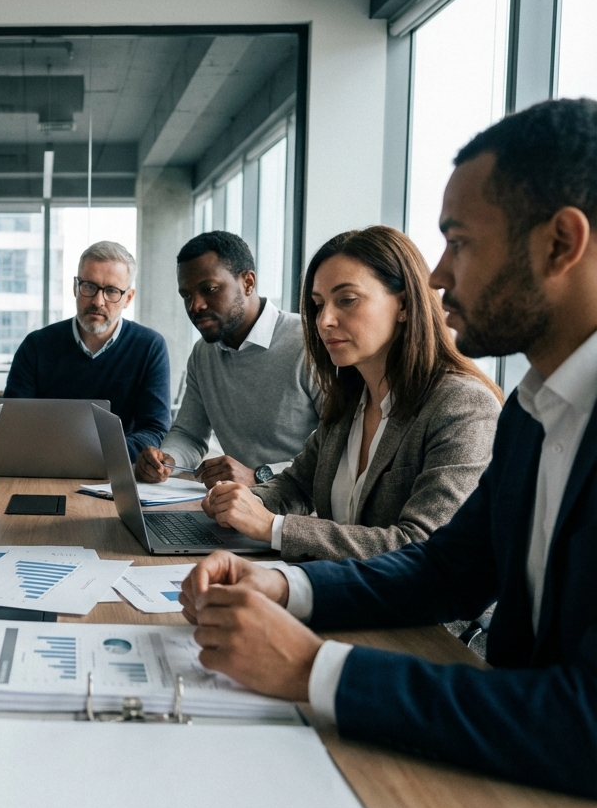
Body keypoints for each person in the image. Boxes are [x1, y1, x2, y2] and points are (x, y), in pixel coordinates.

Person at [180, 98, 597, 798]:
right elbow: (448, 568)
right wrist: (284, 584)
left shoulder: (481, 406)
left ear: (560, 243)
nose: (436, 275)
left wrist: (315, 670)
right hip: (514, 783)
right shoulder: (533, 409)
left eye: (458, 241)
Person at [201, 226, 502, 561]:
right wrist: (243, 501)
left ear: (403, 305)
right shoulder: (350, 400)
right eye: (318, 304)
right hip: (341, 598)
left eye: (347, 300)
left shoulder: (462, 405)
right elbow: (297, 485)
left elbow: (424, 547)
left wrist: (273, 527)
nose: (324, 320)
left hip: (422, 614)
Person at [136, 232, 321, 489]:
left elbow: (338, 452)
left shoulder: (309, 343)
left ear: (248, 282)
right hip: (240, 508)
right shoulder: (203, 354)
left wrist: (260, 475)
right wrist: (167, 461)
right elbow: (189, 434)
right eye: (186, 295)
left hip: (305, 514)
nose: (195, 306)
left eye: (209, 290)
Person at [3, 240, 170, 459]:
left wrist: (96, 454)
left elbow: (154, 429)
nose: (98, 301)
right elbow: (12, 423)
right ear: (75, 287)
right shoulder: (36, 345)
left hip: (116, 471)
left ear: (128, 298)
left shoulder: (149, 347)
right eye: (89, 286)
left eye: (111, 291)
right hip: (45, 466)